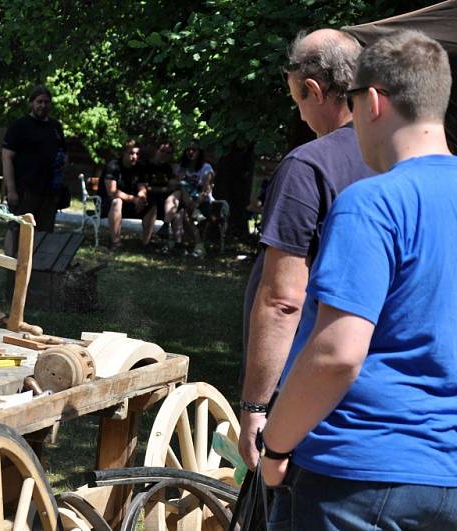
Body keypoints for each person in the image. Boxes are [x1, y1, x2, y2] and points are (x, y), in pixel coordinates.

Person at [261, 30, 457, 529]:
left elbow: (336, 355)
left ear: (371, 101)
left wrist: (276, 444)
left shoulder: (372, 203)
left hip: (355, 478)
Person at [238, 28, 375, 470]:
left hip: (312, 403)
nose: (298, 114)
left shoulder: (307, 166)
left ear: (314, 89)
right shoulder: (406, 164)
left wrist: (257, 409)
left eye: (297, 99)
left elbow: (283, 301)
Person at [2, 85, 67, 237]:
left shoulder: (55, 127)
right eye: (39, 101)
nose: (43, 105)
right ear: (31, 103)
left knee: (43, 231)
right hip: (24, 189)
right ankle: (10, 260)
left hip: (49, 191)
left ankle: (35, 261)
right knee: (16, 229)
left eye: (46, 102)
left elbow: (63, 154)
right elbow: (6, 158)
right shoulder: (19, 126)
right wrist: (11, 190)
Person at [98, 139, 153, 249]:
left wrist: (141, 197)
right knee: (117, 202)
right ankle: (116, 242)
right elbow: (112, 192)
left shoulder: (139, 167)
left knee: (152, 205)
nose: (135, 157)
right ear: (124, 152)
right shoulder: (113, 166)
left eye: (137, 154)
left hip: (129, 204)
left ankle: (145, 244)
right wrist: (134, 199)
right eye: (131, 153)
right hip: (106, 204)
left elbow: (142, 187)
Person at [163, 140, 214, 257]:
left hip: (202, 202)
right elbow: (174, 184)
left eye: (194, 150)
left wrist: (195, 204)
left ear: (199, 152)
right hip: (185, 203)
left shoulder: (206, 168)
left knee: (183, 212)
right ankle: (180, 244)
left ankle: (198, 245)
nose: (190, 152)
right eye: (188, 150)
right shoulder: (180, 168)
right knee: (179, 210)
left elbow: (206, 190)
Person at [139, 140, 176, 248]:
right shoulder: (145, 165)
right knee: (152, 206)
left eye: (168, 153)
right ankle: (145, 243)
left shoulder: (167, 168)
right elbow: (145, 187)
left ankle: (174, 244)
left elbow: (172, 186)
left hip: (164, 202)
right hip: (148, 200)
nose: (165, 154)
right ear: (156, 150)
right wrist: (164, 190)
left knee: (179, 209)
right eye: (163, 151)